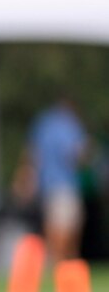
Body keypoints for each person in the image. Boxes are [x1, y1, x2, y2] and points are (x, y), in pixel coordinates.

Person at [24, 96, 89, 263]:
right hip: (65, 184)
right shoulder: (69, 124)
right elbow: (74, 155)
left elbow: (32, 155)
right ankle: (62, 267)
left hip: (46, 185)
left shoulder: (43, 123)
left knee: (53, 228)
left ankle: (56, 264)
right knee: (67, 231)